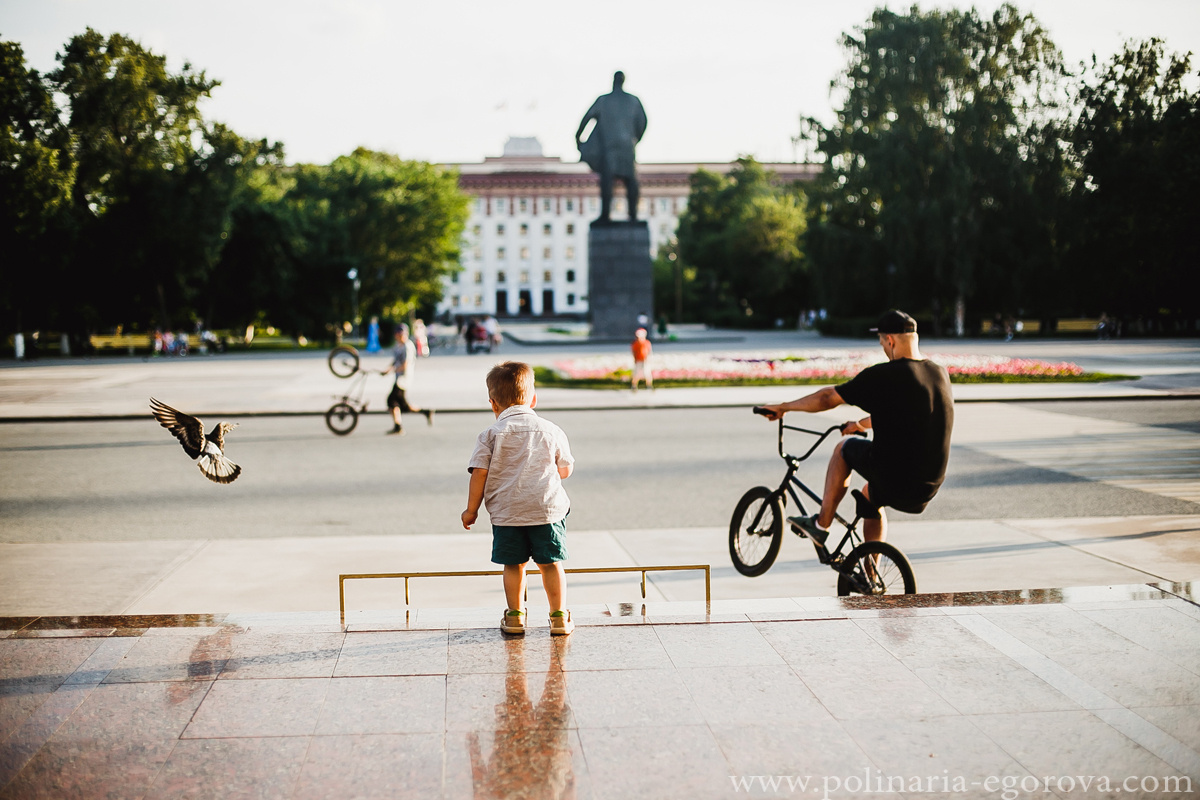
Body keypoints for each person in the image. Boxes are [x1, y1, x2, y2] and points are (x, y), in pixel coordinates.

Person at [757, 309, 953, 549]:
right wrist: (859, 424)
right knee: (870, 497)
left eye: (881, 341)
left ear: (889, 340)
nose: (882, 346)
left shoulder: (883, 376)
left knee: (844, 449)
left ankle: (821, 526)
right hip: (929, 485)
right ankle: (871, 574)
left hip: (898, 480)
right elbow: (901, 411)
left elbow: (828, 397)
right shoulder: (939, 373)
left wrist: (784, 407)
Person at [461, 361, 576, 636]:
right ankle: (559, 617)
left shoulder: (489, 434)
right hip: (546, 510)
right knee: (550, 563)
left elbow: (479, 473)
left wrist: (471, 510)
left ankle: (515, 616)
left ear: (493, 404)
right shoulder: (551, 429)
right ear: (533, 399)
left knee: (513, 564)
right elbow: (566, 469)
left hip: (507, 513)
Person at [575, 71, 648, 222]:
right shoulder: (633, 101)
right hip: (627, 146)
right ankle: (633, 215)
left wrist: (578, 137)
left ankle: (605, 214)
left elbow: (586, 118)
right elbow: (643, 122)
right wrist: (635, 139)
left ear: (613, 81)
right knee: (631, 180)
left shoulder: (603, 100)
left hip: (609, 148)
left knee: (607, 181)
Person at [383, 324, 433, 435]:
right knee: (403, 405)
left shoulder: (408, 346)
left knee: (391, 401)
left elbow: (405, 364)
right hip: (398, 378)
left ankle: (398, 426)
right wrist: (388, 369)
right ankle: (425, 412)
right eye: (398, 334)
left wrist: (393, 370)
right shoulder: (398, 346)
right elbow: (395, 361)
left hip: (403, 379)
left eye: (402, 334)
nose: (399, 336)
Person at [631, 327, 653, 392]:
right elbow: (634, 352)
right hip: (638, 360)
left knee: (647, 373)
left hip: (645, 360)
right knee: (636, 373)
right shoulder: (635, 344)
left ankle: (649, 385)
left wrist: (648, 359)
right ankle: (634, 386)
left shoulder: (647, 343)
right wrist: (635, 359)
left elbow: (649, 352)